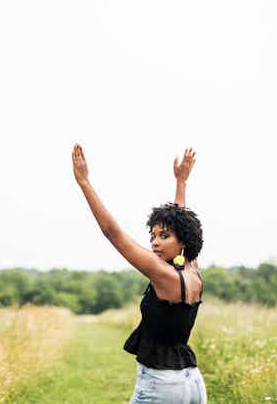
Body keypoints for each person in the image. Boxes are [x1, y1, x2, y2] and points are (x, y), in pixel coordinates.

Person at [72, 144, 208, 404]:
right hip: (192, 383)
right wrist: (181, 182)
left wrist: (84, 182)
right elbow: (182, 226)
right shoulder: (192, 270)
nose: (155, 242)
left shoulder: (163, 274)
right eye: (153, 236)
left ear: (182, 241)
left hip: (161, 384)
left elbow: (112, 231)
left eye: (164, 236)